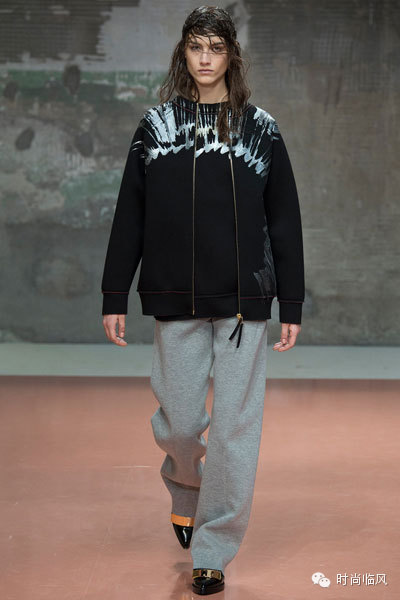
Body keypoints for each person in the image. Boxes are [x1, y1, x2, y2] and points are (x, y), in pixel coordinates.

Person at [101, 5, 305, 595]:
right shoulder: (155, 127)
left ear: (231, 54)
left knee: (237, 428)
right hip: (175, 295)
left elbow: (284, 221)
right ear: (183, 53)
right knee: (180, 422)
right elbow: (130, 215)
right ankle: (186, 485)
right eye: (197, 46)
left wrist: (290, 302)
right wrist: (115, 292)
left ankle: (213, 549)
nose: (206, 57)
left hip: (245, 301)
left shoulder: (261, 129)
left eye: (217, 47)